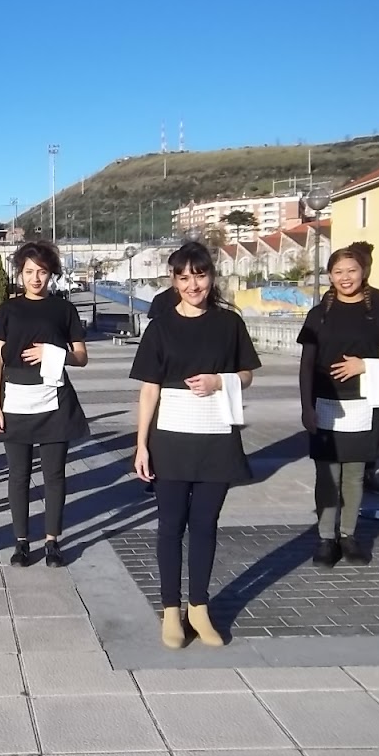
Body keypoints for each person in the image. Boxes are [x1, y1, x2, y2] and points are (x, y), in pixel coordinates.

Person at [132, 243, 260, 649]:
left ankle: (199, 608)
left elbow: (247, 375)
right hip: (169, 437)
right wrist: (141, 446)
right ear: (173, 280)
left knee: (205, 525)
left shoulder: (229, 324)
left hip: (216, 437)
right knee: (171, 526)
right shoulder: (161, 327)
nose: (193, 285)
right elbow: (149, 391)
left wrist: (220, 381)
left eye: (200, 275)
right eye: (184, 277)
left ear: (211, 277)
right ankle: (171, 610)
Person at [0, 241, 89, 568]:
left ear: (51, 273)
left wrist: (52, 354)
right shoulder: (9, 310)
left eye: (42, 272)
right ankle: (22, 542)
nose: (35, 278)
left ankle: (53, 541)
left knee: (54, 475)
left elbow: (82, 357)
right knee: (18, 475)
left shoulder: (63, 309)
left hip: (54, 399)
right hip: (15, 399)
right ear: (20, 273)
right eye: (29, 272)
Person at [298, 246, 379, 568]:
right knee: (327, 476)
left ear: (363, 272)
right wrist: (306, 407)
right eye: (338, 272)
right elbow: (306, 367)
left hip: (362, 403)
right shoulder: (318, 314)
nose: (345, 278)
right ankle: (325, 539)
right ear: (330, 276)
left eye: (352, 271)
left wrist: (366, 366)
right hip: (325, 402)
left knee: (355, 476)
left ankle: (348, 535)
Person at [346, 241, 379, 498]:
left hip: (370, 371)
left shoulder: (378, 297)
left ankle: (369, 472)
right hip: (342, 370)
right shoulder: (332, 297)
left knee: (373, 424)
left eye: (367, 266)